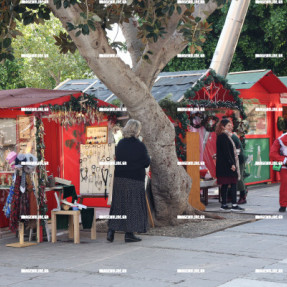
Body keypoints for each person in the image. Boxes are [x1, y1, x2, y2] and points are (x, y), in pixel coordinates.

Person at [107, 119, 151, 242]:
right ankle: (129, 234)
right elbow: (146, 162)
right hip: (135, 180)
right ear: (136, 130)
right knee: (133, 206)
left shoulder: (120, 143)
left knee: (118, 205)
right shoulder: (140, 145)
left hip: (120, 178)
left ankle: (111, 231)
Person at [215, 118, 244, 212]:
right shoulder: (224, 136)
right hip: (227, 165)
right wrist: (232, 164)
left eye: (231, 125)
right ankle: (234, 205)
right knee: (233, 183)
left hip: (223, 165)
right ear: (223, 126)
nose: (231, 127)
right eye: (228, 125)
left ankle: (223, 204)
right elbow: (227, 152)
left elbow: (223, 151)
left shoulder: (223, 135)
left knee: (225, 184)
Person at [270, 132, 287, 212]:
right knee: (284, 185)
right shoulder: (280, 140)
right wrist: (284, 160)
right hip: (284, 166)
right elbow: (272, 154)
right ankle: (283, 205)